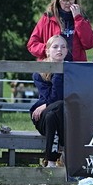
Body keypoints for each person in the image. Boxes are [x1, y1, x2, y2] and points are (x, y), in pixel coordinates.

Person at [27, 0, 93, 62]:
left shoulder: (82, 18)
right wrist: (49, 50)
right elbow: (32, 44)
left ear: (75, 0)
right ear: (58, 1)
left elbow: (89, 43)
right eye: (64, 0)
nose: (68, 3)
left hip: (75, 67)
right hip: (52, 67)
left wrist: (78, 19)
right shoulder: (48, 18)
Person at [31, 34, 68, 168]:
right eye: (55, 47)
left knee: (57, 111)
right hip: (42, 115)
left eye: (63, 47)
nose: (60, 50)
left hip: (64, 117)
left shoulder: (72, 69)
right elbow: (51, 97)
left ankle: (51, 161)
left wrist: (61, 68)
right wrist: (58, 71)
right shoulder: (39, 72)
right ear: (47, 50)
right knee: (58, 106)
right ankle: (60, 153)